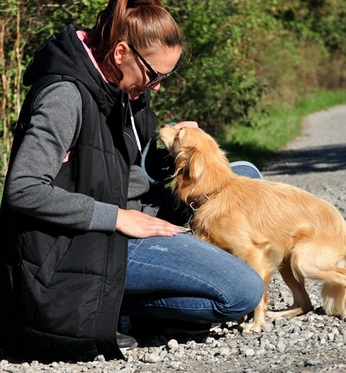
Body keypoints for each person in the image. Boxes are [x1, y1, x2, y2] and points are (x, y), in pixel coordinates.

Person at [0, 0, 264, 362]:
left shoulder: (121, 85)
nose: (156, 86)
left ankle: (188, 258)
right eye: (155, 75)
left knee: (245, 175)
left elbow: (121, 168)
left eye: (164, 78)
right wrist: (119, 218)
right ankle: (115, 304)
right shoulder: (64, 96)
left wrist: (178, 152)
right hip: (85, 241)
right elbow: (23, 188)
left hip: (129, 213)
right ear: (122, 52)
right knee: (242, 291)